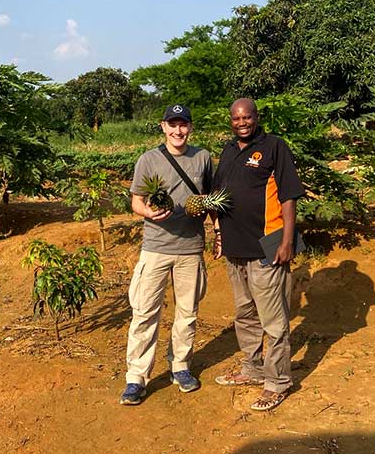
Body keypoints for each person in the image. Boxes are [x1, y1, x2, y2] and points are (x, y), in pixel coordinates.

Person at [213, 98, 305, 412]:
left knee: (274, 321)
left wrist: (287, 240)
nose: (242, 122)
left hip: (268, 245)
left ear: (256, 117)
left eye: (247, 117)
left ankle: (277, 382)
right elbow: (220, 197)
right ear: (231, 120)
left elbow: (289, 195)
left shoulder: (274, 147)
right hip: (235, 248)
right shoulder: (227, 151)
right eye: (237, 118)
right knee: (245, 314)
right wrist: (217, 233)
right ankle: (252, 368)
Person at [120, 104, 212, 405]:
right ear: (163, 127)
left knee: (187, 313)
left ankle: (181, 366)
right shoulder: (149, 159)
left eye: (183, 124)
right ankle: (136, 377)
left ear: (190, 127)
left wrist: (219, 231)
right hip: (156, 248)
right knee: (145, 312)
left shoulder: (203, 158)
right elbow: (136, 201)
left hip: (191, 248)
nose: (178, 131)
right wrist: (148, 211)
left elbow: (211, 200)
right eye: (172, 125)